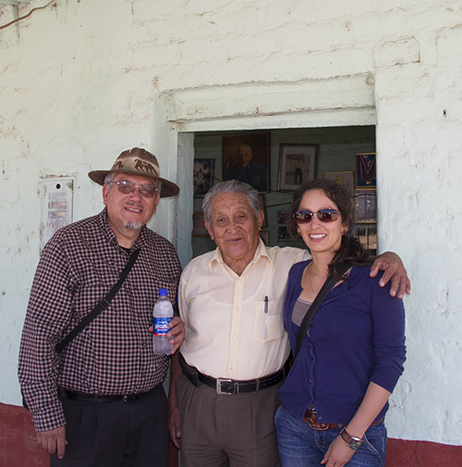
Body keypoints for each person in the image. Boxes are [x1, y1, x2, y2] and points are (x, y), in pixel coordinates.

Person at [168, 180, 409, 467]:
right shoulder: (195, 272)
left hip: (265, 407)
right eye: (221, 220)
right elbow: (180, 340)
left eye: (241, 216)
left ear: (260, 218)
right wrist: (174, 403)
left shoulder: (292, 265)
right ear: (209, 228)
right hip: (215, 406)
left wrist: (390, 258)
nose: (232, 227)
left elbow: (390, 359)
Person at [18, 147, 186, 466]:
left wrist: (179, 328)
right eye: (125, 186)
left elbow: (174, 325)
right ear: (106, 192)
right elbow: (38, 336)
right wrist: (46, 414)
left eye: (147, 190)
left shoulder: (164, 254)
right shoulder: (68, 246)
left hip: (149, 411)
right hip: (85, 415)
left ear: (155, 202)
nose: (135, 197)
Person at [275, 178, 406, 466]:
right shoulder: (296, 273)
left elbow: (390, 362)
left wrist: (351, 437)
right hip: (294, 426)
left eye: (327, 214)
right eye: (305, 216)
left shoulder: (376, 281)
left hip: (355, 432)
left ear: (344, 223)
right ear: (296, 226)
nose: (315, 224)